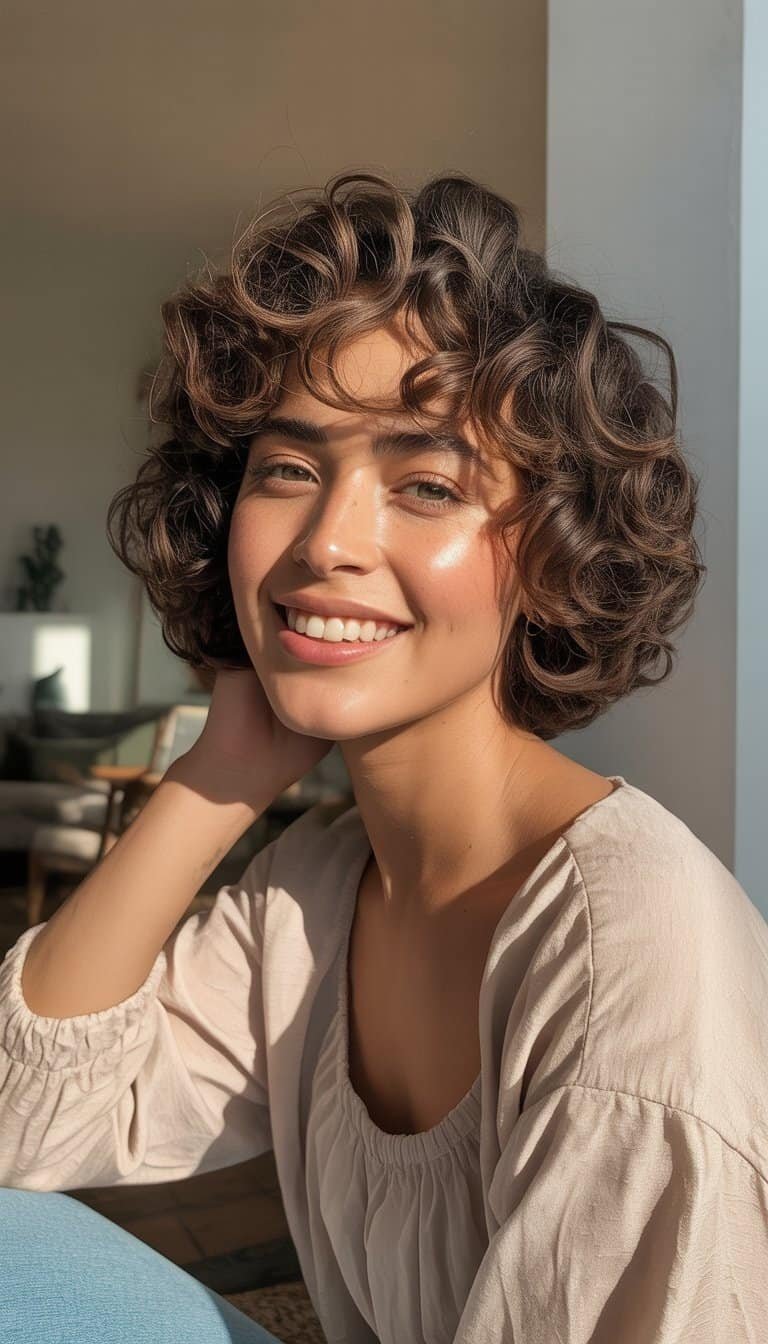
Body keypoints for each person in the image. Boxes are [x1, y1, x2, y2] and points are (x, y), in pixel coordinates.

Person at [1, 169, 766, 1344]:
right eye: (291, 470)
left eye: (426, 485)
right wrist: (219, 777)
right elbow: (20, 1123)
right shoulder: (315, 886)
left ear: (554, 553)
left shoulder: (633, 959)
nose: (328, 543)